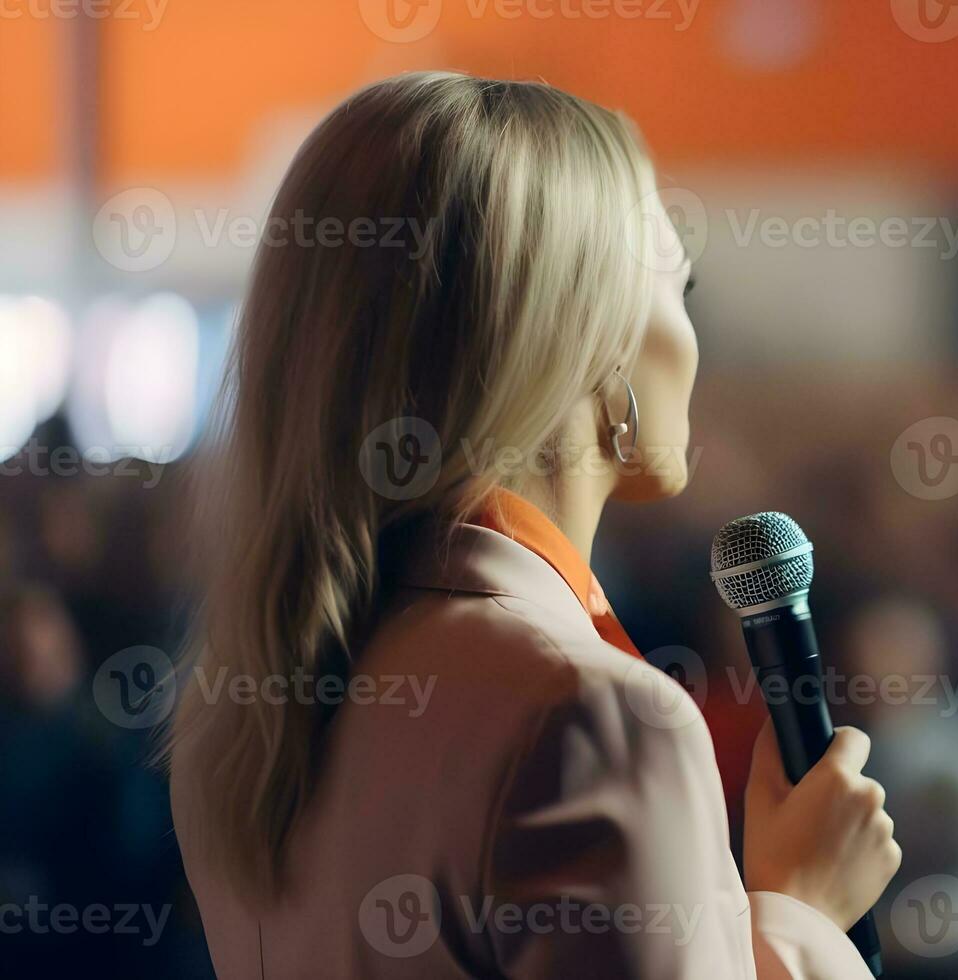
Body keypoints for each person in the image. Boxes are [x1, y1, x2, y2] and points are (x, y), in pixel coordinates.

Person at [166, 72, 899, 979]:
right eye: (683, 284)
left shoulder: (256, 698)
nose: (694, 338)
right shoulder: (598, 717)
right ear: (595, 343)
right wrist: (801, 916)